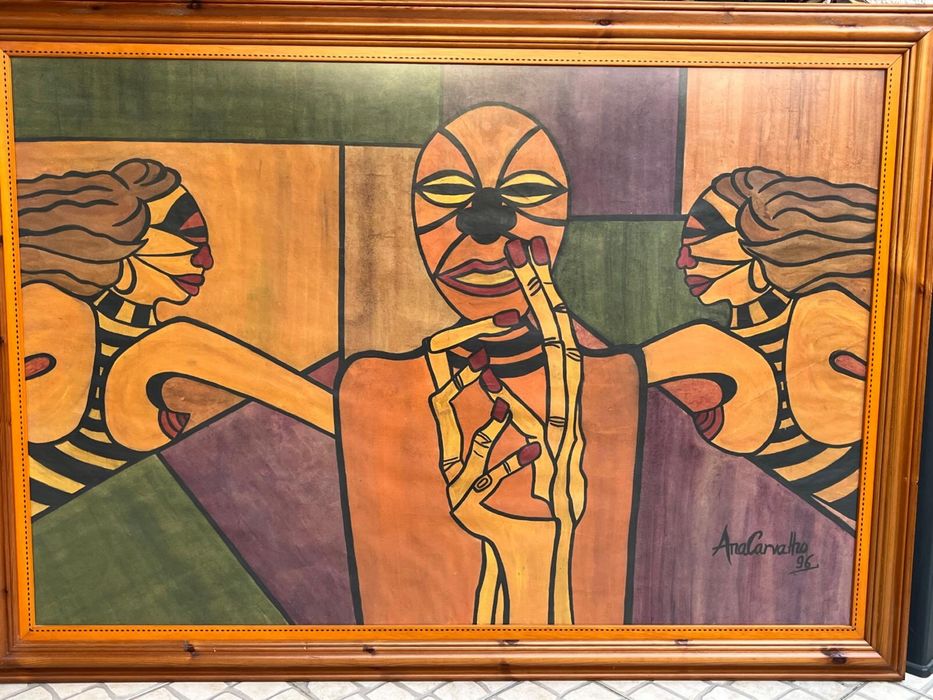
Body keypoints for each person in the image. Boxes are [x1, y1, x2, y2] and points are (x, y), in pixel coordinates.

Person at [338, 104, 643, 625]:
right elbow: (396, 645)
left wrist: (537, 545)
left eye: (529, 190)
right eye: (445, 191)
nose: (484, 223)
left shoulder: (617, 383)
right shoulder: (373, 388)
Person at [21, 158, 333, 517]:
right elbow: (320, 411)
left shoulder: (162, 352)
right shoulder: (57, 313)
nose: (205, 260)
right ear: (125, 240)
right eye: (190, 239)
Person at [643, 166, 876, 533]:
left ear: (753, 237)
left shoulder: (830, 320)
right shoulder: (711, 350)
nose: (683, 261)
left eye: (697, 239)